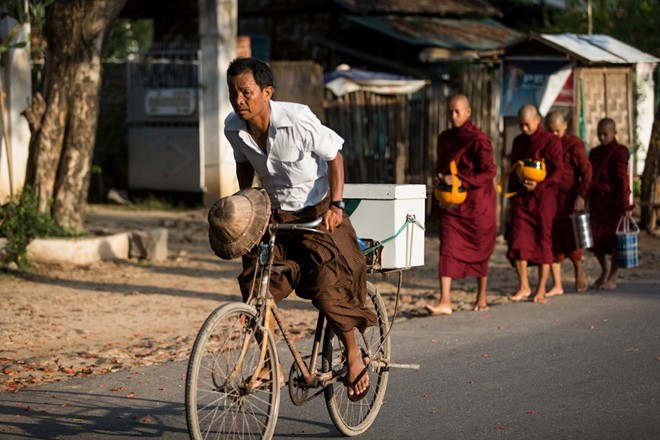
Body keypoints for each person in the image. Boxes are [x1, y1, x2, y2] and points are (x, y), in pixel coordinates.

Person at [223, 57, 376, 400]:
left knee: (328, 287)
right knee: (256, 285)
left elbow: (335, 154)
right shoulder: (232, 127)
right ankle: (268, 360)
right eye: (233, 93)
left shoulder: (297, 120)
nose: (238, 100)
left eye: (245, 92)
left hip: (319, 213)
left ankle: (352, 353)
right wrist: (246, 204)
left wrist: (336, 206)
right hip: (275, 217)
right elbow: (244, 165)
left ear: (267, 92)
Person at [425, 95, 497, 315]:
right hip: (452, 204)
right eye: (450, 112)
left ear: (468, 112)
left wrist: (462, 181)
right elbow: (442, 166)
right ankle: (445, 300)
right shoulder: (445, 138)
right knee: (447, 247)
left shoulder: (478, 139)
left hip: (477, 204)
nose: (453, 116)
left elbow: (489, 171)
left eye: (457, 111)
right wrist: (441, 178)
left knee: (480, 249)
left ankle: (481, 296)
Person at [506, 105, 564, 304]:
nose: (523, 129)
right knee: (518, 240)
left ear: (537, 120)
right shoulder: (518, 142)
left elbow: (558, 172)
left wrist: (539, 184)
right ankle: (524, 286)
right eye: (521, 125)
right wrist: (513, 193)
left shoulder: (551, 142)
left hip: (543, 199)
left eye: (527, 125)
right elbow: (514, 169)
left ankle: (540, 289)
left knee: (543, 241)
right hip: (522, 199)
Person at [545, 111, 592, 295]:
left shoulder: (574, 144)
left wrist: (581, 195)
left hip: (570, 198)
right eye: (550, 131)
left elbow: (586, 171)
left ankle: (579, 271)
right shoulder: (547, 144)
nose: (554, 135)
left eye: (557, 130)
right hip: (551, 199)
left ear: (565, 125)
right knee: (553, 239)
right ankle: (557, 284)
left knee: (573, 238)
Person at [588, 118, 633, 290]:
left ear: (614, 133)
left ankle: (613, 276)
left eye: (605, 134)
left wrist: (626, 206)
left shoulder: (620, 152)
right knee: (595, 239)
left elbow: (623, 180)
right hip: (597, 202)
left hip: (614, 203)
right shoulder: (595, 153)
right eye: (599, 134)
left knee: (615, 241)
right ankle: (604, 269)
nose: (602, 137)